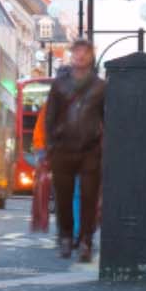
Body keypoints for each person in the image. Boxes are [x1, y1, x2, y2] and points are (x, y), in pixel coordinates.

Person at [41, 41, 106, 263]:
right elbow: (50, 117)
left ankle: (86, 240)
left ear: (91, 57)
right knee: (63, 197)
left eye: (85, 52)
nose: (80, 55)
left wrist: (104, 148)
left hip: (90, 149)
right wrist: (50, 146)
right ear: (71, 56)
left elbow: (107, 118)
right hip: (63, 147)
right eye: (76, 52)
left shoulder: (100, 86)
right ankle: (66, 237)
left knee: (89, 197)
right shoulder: (59, 85)